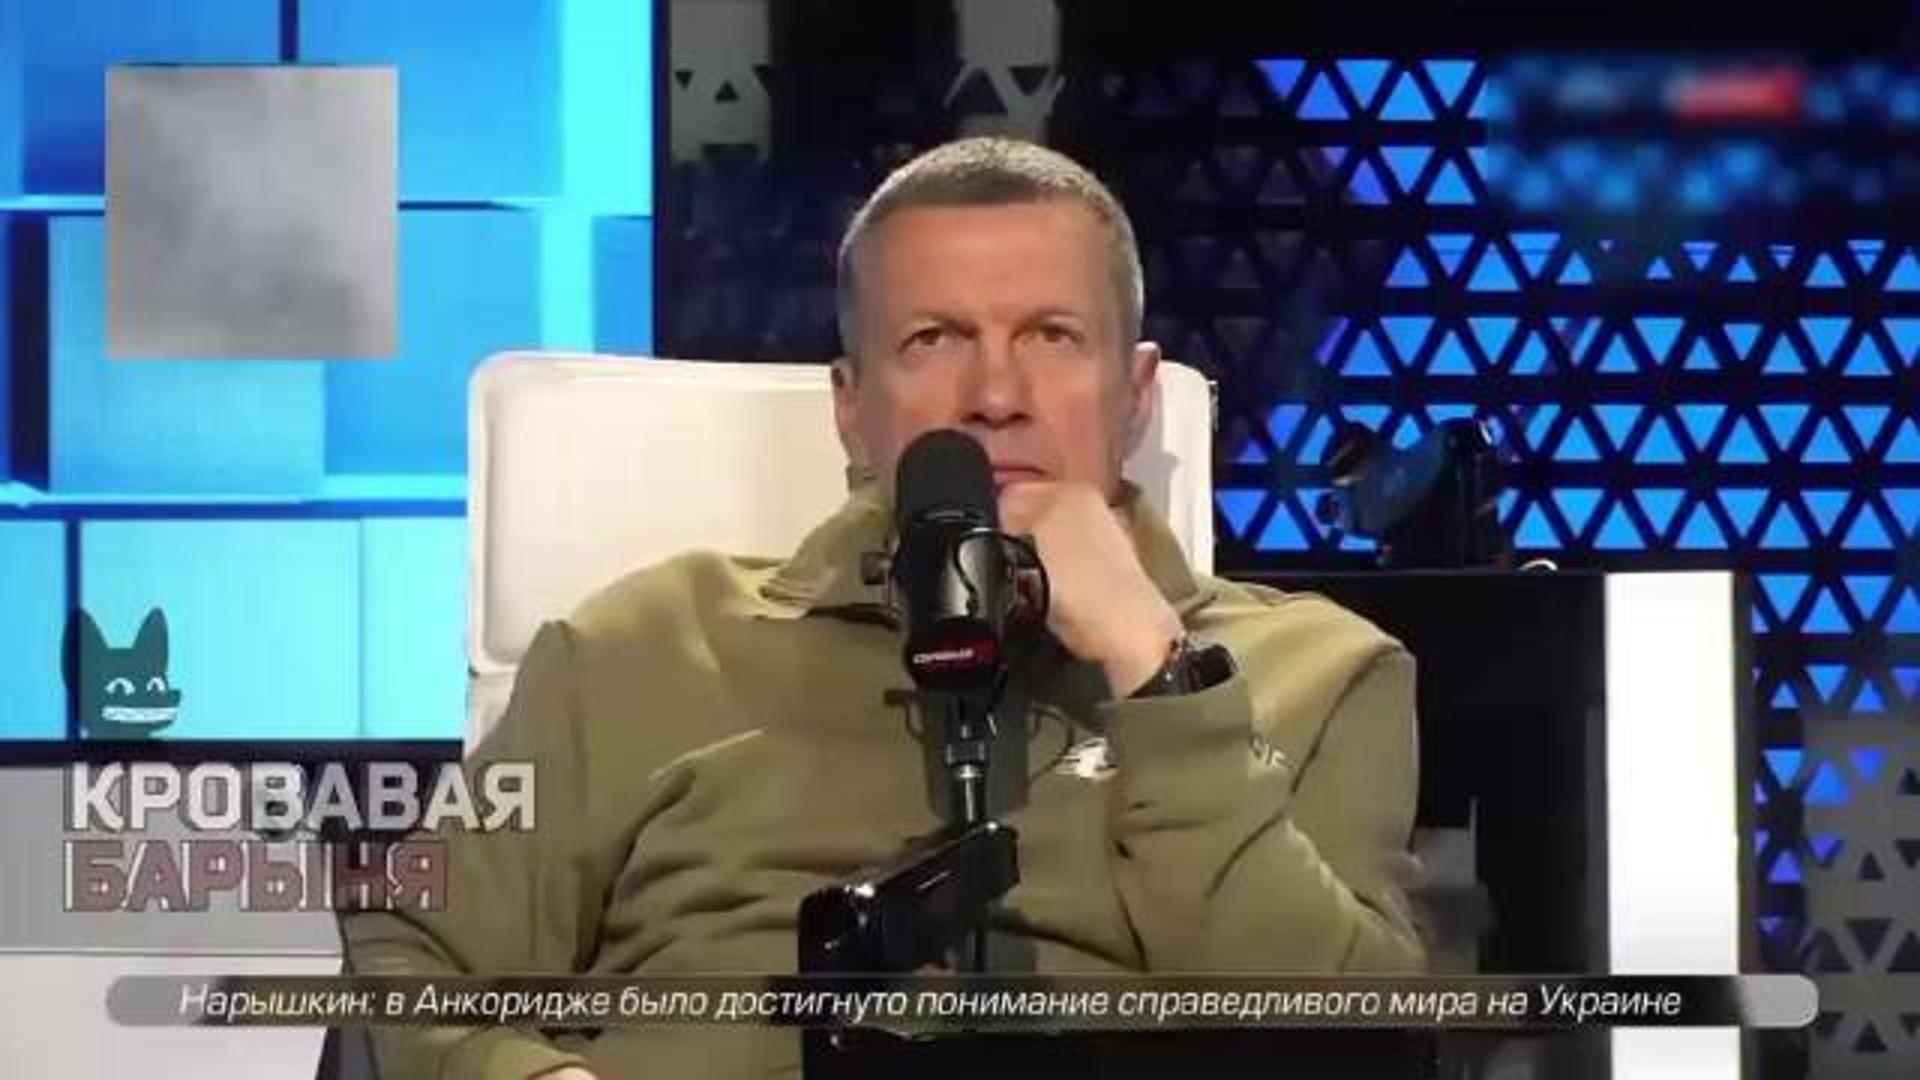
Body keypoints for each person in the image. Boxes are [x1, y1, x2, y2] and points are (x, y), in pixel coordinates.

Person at [341, 136, 1424, 1079]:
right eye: (933, 340)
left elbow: (1354, 1043)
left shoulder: (1318, 671)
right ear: (851, 407)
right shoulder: (644, 645)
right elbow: (415, 951)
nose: (995, 396)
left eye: (1051, 336)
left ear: (1135, 395)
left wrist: (1159, 670)